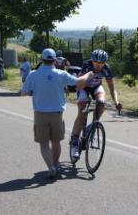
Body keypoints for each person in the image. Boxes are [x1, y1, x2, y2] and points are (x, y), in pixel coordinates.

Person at [20, 48, 94, 179]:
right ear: (55, 60)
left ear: (41, 60)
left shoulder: (33, 74)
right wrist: (88, 75)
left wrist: (35, 91)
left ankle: (51, 167)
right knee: (56, 141)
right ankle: (56, 164)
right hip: (57, 113)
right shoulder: (61, 74)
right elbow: (78, 82)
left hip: (40, 113)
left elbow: (24, 92)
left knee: (44, 144)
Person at [70, 49, 122, 159]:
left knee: (101, 102)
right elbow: (79, 84)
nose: (98, 66)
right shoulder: (86, 65)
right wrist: (88, 76)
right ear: (92, 61)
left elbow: (112, 89)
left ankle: (92, 125)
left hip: (96, 87)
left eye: (101, 64)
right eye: (96, 63)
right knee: (82, 112)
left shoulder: (106, 69)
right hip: (83, 88)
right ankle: (75, 141)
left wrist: (116, 101)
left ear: (105, 63)